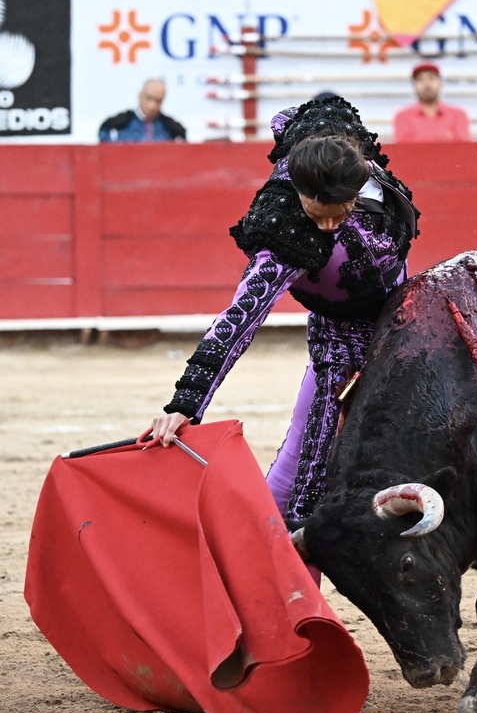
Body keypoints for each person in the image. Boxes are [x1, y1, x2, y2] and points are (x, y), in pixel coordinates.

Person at [151, 96, 419, 541]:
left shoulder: (349, 157)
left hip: (408, 325)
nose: (329, 226)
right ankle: (282, 578)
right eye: (319, 214)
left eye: (341, 212)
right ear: (299, 193)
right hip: (340, 344)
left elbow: (295, 117)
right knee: (301, 483)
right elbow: (241, 318)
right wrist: (186, 404)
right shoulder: (285, 232)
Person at [393, 62, 471, 143]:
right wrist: (444, 136)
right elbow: (403, 147)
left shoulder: (458, 115)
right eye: (420, 79)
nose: (427, 84)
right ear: (414, 86)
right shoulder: (403, 116)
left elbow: (464, 147)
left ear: (440, 83)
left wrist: (421, 137)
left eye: (431, 78)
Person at [98, 78, 187, 143]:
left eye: (158, 101)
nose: (152, 106)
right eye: (149, 98)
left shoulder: (171, 128)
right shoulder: (120, 123)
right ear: (140, 96)